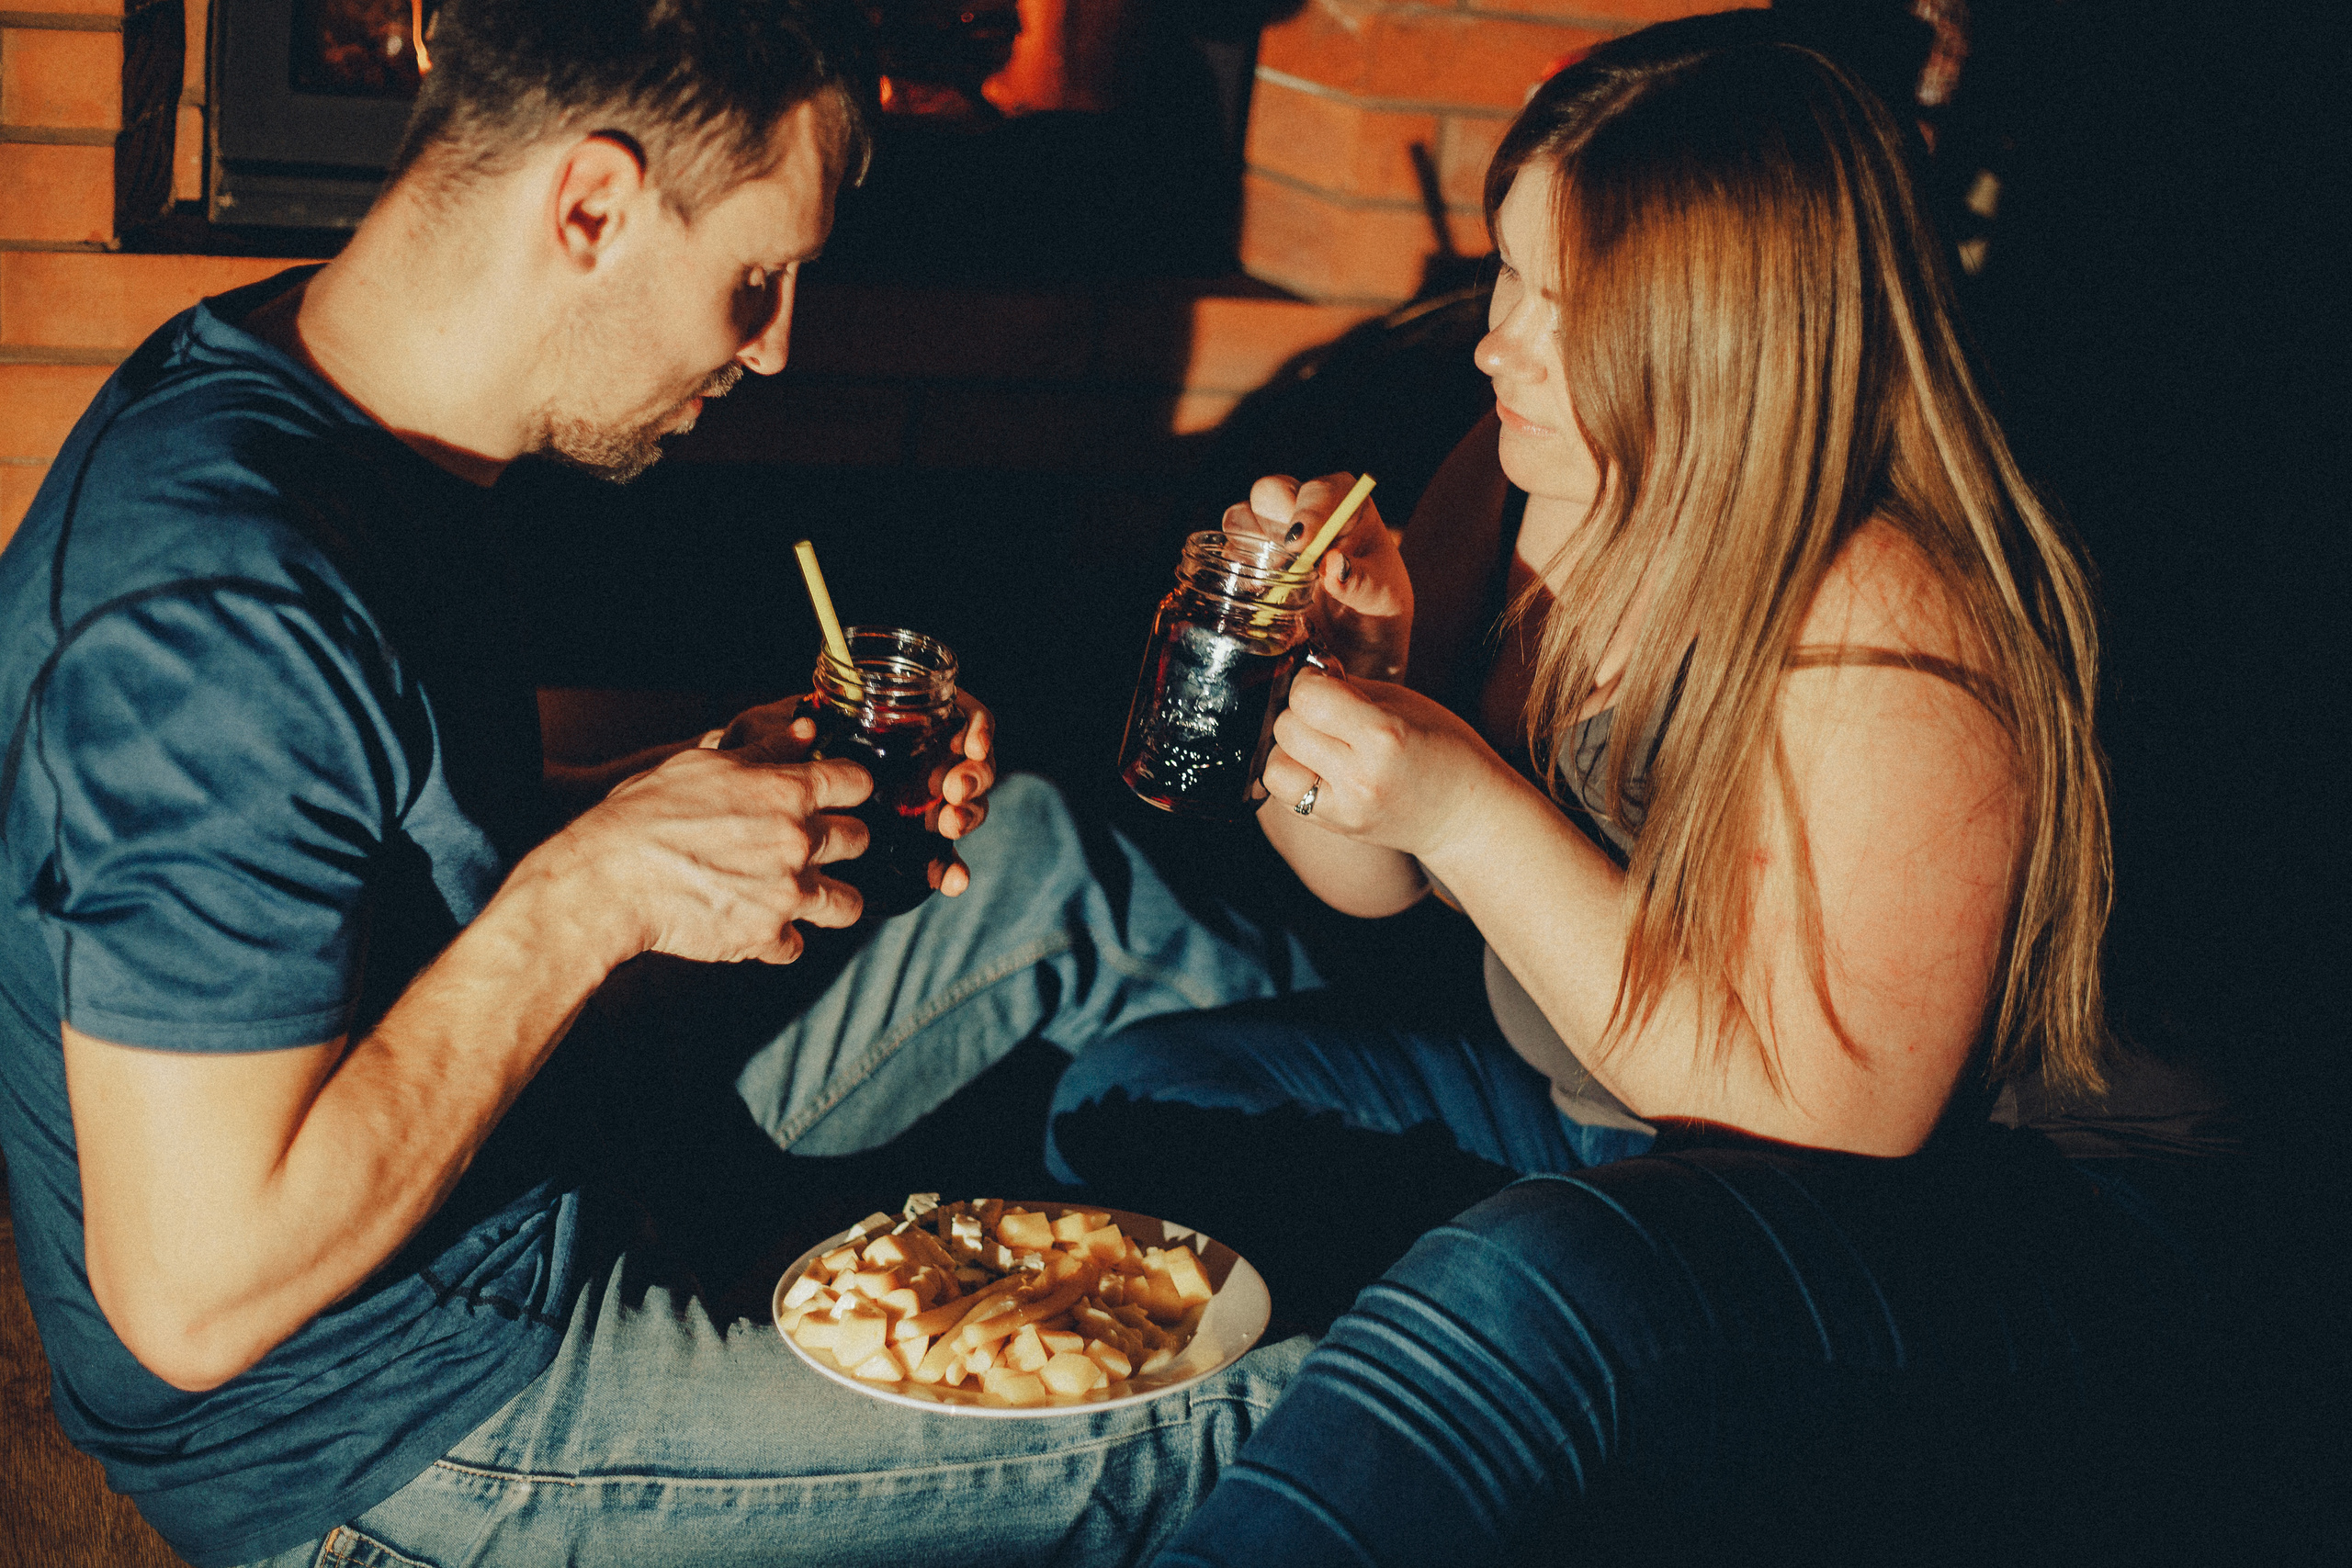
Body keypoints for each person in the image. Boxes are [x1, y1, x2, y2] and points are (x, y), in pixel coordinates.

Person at [0, 3, 1334, 1563]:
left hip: (524, 1170)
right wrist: (594, 889)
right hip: (380, 1416)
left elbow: (379, 830)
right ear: (591, 207)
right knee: (1287, 1406)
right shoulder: (215, 615)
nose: (773, 344)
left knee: (1043, 862)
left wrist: (697, 787)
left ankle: (1416, 1134)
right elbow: (193, 1298)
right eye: (755, 279)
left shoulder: (336, 400)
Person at [1043, 21, 2235, 1562]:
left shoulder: (1889, 613)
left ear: (1717, 327)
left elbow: (1832, 1122)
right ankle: (1375, 1452)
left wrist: (1463, 796)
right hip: (1614, 1137)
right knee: (1142, 1102)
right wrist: (1345, 683)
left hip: (1986, 1238)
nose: (1494, 345)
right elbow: (1367, 881)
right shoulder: (1530, 464)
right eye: (1508, 280)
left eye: (1562, 305)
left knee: (1529, 1278)